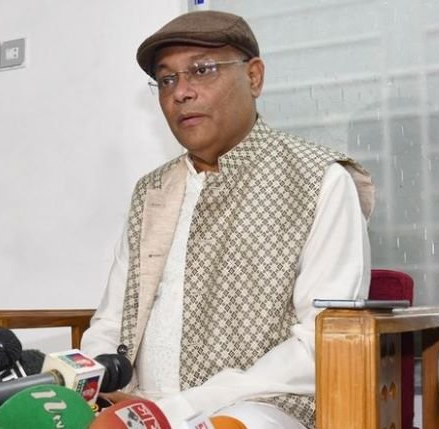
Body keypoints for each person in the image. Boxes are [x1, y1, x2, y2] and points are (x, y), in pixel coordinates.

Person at [81, 10, 374, 429]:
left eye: (201, 70)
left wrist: (184, 407)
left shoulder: (319, 179)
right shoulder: (153, 191)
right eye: (166, 80)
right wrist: (92, 382)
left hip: (261, 407)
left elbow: (320, 344)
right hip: (137, 404)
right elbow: (111, 321)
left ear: (254, 77)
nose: (181, 93)